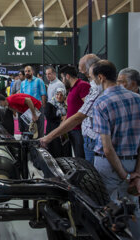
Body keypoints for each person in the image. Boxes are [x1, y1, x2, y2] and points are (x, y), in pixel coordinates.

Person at [91, 60, 140, 238]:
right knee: (132, 208)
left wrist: (123, 175)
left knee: (106, 211)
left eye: (94, 77)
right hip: (133, 163)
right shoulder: (137, 99)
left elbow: (107, 148)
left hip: (108, 167)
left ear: (101, 77)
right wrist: (135, 174)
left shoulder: (101, 102)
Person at [40, 54, 100, 163]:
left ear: (67, 76)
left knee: (82, 160)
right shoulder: (72, 88)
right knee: (77, 157)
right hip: (72, 128)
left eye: (62, 77)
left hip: (80, 129)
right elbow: (71, 111)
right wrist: (63, 126)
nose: (62, 81)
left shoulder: (82, 86)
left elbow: (88, 110)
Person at [20, 66, 46, 137]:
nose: (27, 73)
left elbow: (43, 94)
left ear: (32, 72)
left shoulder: (39, 81)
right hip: (27, 109)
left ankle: (40, 145)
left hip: (38, 108)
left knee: (40, 127)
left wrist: (43, 107)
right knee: (28, 128)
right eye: (25, 71)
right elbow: (22, 96)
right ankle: (30, 145)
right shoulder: (22, 83)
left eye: (28, 71)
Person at [44, 88, 71, 158]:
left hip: (63, 130)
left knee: (64, 148)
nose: (59, 96)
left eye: (61, 95)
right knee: (54, 149)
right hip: (52, 129)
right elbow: (48, 116)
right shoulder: (50, 104)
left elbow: (70, 114)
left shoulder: (65, 105)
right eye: (57, 94)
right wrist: (60, 118)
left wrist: (67, 104)